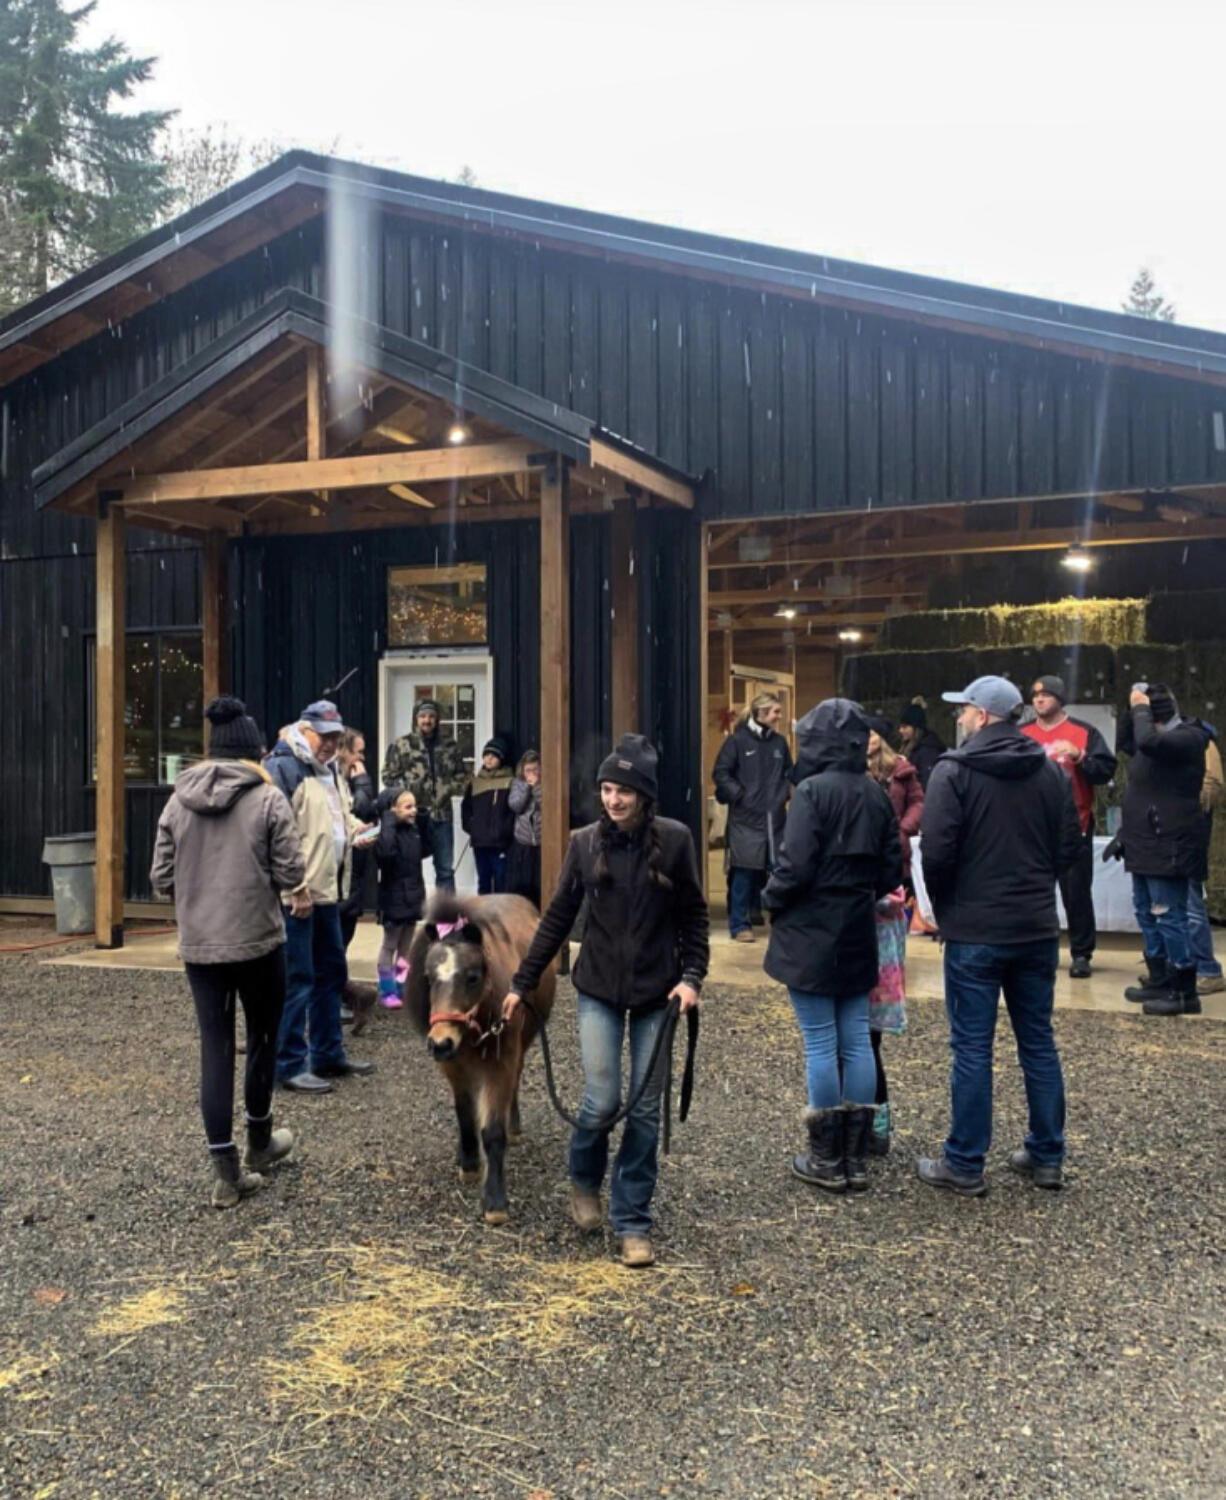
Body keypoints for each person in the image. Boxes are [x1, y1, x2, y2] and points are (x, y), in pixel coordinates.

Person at [502, 734, 708, 1268]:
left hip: (658, 993)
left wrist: (692, 978)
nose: (614, 800)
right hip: (597, 990)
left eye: (625, 791)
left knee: (643, 1108)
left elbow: (694, 918)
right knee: (601, 1097)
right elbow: (555, 920)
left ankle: (633, 1219)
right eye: (607, 789)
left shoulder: (678, 840)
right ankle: (585, 1179)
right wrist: (522, 984)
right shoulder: (585, 843)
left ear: (645, 794)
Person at [916, 675, 1081, 1195]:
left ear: (983, 716)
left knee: (971, 1047)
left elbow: (936, 852)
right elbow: (1068, 849)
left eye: (964, 709)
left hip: (974, 930)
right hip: (1033, 927)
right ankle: (1046, 1154)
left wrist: (945, 910)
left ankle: (965, 1162)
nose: (960, 717)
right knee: (1038, 1042)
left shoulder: (953, 771)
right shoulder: (1049, 773)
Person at [150, 697, 309, 1208]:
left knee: (214, 1049)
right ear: (253, 752)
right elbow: (290, 873)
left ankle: (226, 1172)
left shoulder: (177, 801)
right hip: (259, 942)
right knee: (262, 1038)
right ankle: (260, 1143)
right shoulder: (267, 798)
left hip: (201, 947)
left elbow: (159, 880)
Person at [762, 699, 901, 1195]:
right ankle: (856, 1160)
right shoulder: (876, 792)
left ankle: (826, 1159)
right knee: (856, 1038)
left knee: (821, 1041)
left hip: (811, 929)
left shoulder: (812, 793)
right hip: (857, 927)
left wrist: (770, 899)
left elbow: (795, 865)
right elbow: (892, 870)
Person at [266, 700, 377, 1092]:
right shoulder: (282, 768)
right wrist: (294, 887)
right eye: (324, 737)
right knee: (297, 980)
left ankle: (328, 1054)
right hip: (298, 898)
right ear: (304, 730)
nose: (330, 745)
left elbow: (333, 819)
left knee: (331, 973)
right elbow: (276, 835)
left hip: (328, 893)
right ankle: (289, 1065)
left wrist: (355, 829)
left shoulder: (327, 771)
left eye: (335, 738)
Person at [1116, 684, 1208, 1017]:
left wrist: (1141, 709)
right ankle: (1159, 978)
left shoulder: (1188, 737)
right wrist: (1132, 709)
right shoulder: (1150, 742)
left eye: (1145, 712)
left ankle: (1184, 989)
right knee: (1145, 911)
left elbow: (1147, 742)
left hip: (1169, 841)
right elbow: (1127, 742)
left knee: (1169, 915)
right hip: (1143, 840)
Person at [1021, 676, 1117, 979]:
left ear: (1060, 700)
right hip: (1032, 826)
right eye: (1035, 695)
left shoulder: (1084, 732)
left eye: (1046, 695)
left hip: (1075, 824)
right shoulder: (1022, 734)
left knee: (1075, 892)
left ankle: (1081, 953)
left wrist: (1081, 756)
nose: (1039, 700)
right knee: (1033, 892)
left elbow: (1105, 771)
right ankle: (1037, 950)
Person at [864, 715, 922, 1155]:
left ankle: (873, 1122)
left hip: (889, 888)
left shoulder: (899, 768)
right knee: (858, 1035)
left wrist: (900, 829)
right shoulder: (850, 777)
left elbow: (920, 802)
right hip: (870, 893)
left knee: (867, 1032)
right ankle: (862, 1121)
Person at [713, 692, 793, 943]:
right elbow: (721, 774)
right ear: (760, 713)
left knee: (780, 872)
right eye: (775, 712)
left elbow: (788, 773)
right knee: (743, 872)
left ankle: (781, 922)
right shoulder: (737, 742)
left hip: (775, 818)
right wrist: (740, 796)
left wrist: (783, 796)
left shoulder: (780, 743)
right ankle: (739, 924)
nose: (779, 716)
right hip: (746, 819)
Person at [382, 699, 470, 892]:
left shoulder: (450, 746)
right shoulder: (402, 745)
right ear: (416, 719)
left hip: (442, 816)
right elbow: (388, 777)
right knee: (411, 867)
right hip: (413, 817)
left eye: (431, 716)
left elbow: (464, 777)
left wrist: (447, 788)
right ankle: (413, 912)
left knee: (445, 869)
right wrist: (408, 788)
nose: (427, 720)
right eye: (422, 716)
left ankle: (446, 917)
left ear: (437, 719)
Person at [374, 788, 434, 1009]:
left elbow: (427, 849)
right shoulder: (387, 833)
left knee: (406, 947)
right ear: (392, 810)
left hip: (413, 896)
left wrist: (426, 822)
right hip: (393, 898)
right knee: (390, 944)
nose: (413, 811)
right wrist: (388, 821)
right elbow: (386, 854)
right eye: (408, 807)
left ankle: (401, 985)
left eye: (415, 806)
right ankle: (387, 988)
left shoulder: (413, 830)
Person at [1190, 724, 1225, 996]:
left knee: (1190, 903)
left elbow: (1211, 787)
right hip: (1164, 835)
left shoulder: (1202, 741)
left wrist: (1177, 801)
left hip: (1189, 832)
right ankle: (1181, 964)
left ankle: (1207, 969)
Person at [337, 729, 377, 949]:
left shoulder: (347, 779)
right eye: (358, 752)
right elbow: (356, 809)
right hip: (341, 867)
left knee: (348, 925)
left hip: (355, 865)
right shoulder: (334, 779)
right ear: (344, 751)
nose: (362, 758)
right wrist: (363, 782)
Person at [461, 736, 517, 894]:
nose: (489, 759)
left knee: (501, 879)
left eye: (493, 756)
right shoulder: (476, 782)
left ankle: (498, 915)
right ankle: (482, 917)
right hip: (480, 841)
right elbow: (466, 807)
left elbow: (513, 810)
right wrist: (471, 827)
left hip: (500, 842)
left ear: (501, 758)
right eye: (486, 755)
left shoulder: (508, 781)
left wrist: (506, 830)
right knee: (483, 879)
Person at [506, 749, 543, 907]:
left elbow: (549, 805)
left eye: (535, 769)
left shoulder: (547, 783)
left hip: (542, 841)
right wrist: (528, 788)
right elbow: (515, 806)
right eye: (528, 770)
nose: (532, 773)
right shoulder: (517, 783)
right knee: (523, 884)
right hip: (523, 841)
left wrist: (536, 788)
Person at [898, 702, 947, 791]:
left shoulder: (929, 751)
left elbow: (927, 783)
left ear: (915, 728)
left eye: (905, 727)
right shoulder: (911, 747)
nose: (900, 730)